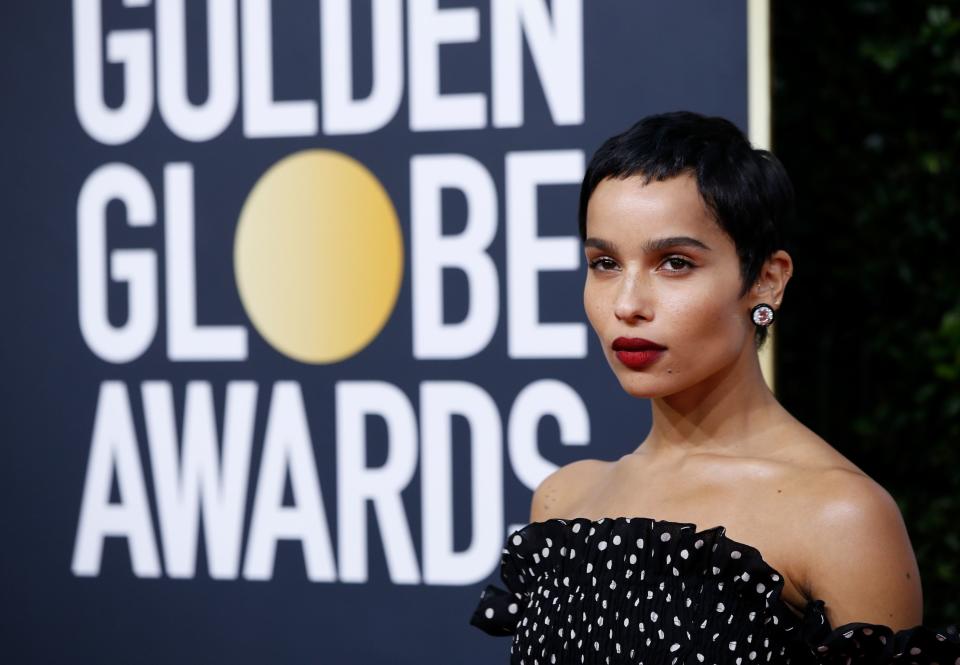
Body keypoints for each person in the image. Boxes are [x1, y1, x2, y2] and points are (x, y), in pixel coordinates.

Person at [469, 111, 960, 663]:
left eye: (674, 263)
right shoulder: (561, 502)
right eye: (604, 263)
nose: (626, 304)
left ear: (766, 280)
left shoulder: (842, 517)